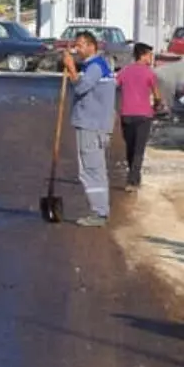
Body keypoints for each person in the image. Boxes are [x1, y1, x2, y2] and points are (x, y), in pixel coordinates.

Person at [61, 31, 118, 227]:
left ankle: (99, 213)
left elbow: (80, 87)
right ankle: (100, 211)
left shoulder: (95, 67)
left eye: (81, 45)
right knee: (93, 169)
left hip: (92, 126)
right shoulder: (95, 66)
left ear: (92, 46)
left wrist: (71, 69)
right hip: (92, 125)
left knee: (91, 170)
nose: (77, 49)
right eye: (76, 45)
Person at [115, 42, 162, 193]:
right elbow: (156, 94)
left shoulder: (124, 71)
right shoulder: (150, 73)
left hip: (126, 114)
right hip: (143, 115)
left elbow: (114, 86)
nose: (151, 58)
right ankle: (133, 181)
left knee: (130, 147)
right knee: (138, 150)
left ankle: (134, 177)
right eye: (149, 55)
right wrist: (158, 105)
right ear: (142, 55)